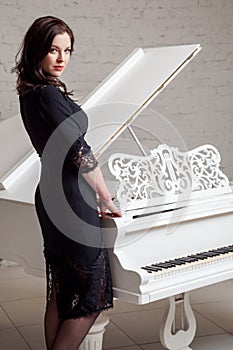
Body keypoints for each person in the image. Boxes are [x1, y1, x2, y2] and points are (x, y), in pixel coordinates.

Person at [12, 15, 121, 350]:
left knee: (63, 290)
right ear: (36, 51)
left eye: (68, 50)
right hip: (71, 196)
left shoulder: (33, 92)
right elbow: (80, 152)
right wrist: (105, 196)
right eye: (53, 50)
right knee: (90, 293)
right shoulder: (45, 95)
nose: (61, 58)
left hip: (52, 194)